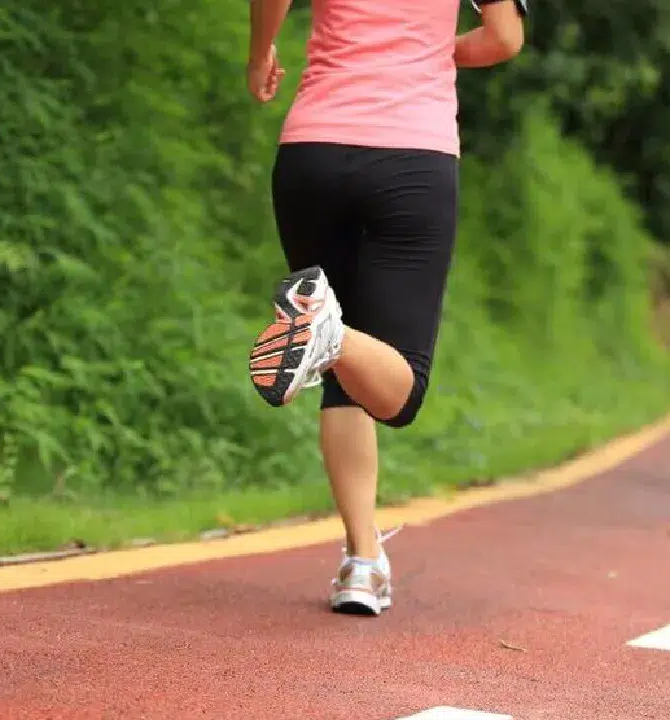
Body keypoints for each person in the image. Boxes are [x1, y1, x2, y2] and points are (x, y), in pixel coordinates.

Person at [244, 0, 526, 616]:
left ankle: (362, 562)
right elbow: (504, 37)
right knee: (399, 392)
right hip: (413, 160)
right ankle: (330, 333)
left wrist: (260, 54)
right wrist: (436, 50)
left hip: (313, 153)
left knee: (344, 378)